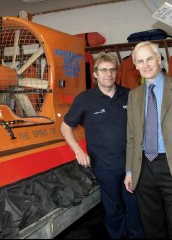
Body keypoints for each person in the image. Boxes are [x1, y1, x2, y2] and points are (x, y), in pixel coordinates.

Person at [60, 52, 144, 239]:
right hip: (105, 167)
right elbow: (65, 127)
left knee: (135, 208)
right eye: (104, 70)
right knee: (113, 209)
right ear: (95, 74)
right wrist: (78, 151)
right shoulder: (85, 99)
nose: (109, 74)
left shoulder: (129, 95)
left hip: (132, 164)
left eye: (112, 70)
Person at [124, 41, 172, 239]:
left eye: (149, 58)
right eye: (140, 61)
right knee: (151, 227)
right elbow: (131, 136)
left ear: (159, 59)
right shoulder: (134, 95)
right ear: (135, 66)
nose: (146, 65)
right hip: (144, 167)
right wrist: (129, 169)